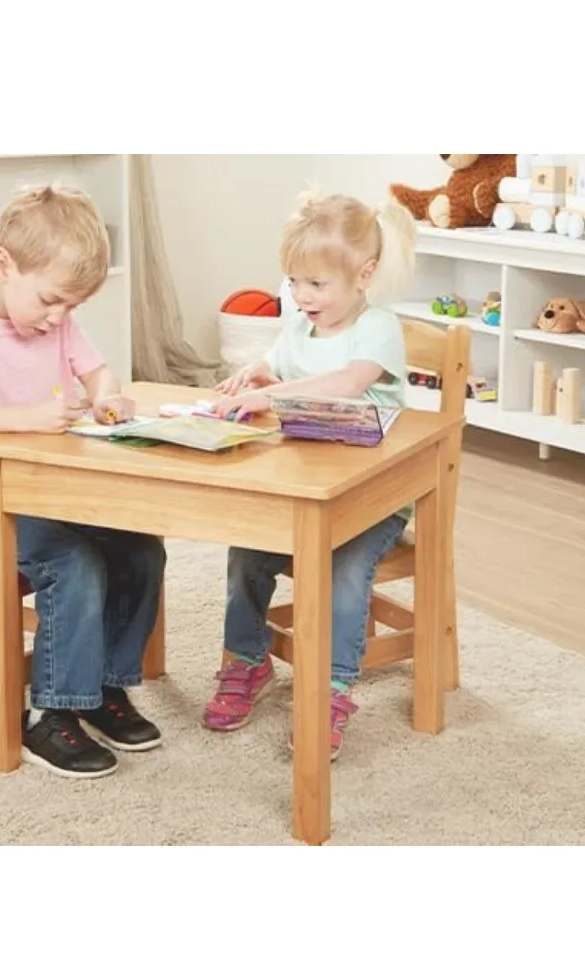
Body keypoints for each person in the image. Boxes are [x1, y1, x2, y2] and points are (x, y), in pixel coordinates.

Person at [0, 183, 166, 780]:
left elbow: (97, 370)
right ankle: (51, 713)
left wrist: (108, 397)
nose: (59, 318)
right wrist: (25, 420)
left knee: (140, 549)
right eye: (52, 301)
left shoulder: (54, 322)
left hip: (61, 495)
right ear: (5, 265)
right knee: (75, 565)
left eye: (71, 309)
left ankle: (104, 686)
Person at [203, 190, 417, 760]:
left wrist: (267, 394)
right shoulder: (299, 324)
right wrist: (257, 369)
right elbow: (279, 359)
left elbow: (346, 384)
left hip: (373, 500)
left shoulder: (378, 330)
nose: (301, 297)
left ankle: (332, 689)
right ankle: (246, 661)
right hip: (301, 488)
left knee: (344, 571)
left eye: (316, 284)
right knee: (247, 548)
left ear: (364, 275)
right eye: (294, 281)